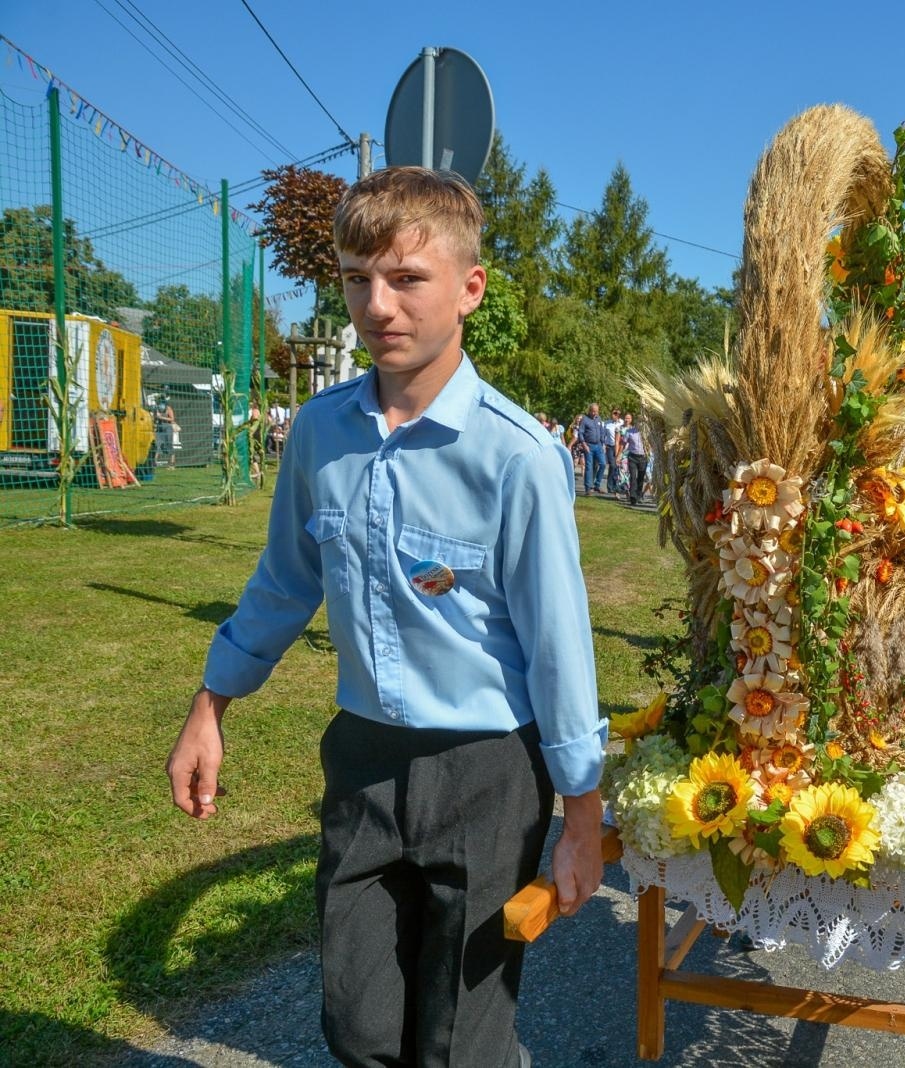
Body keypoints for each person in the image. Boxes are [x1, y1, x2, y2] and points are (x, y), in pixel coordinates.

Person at [165, 166, 606, 1068]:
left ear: (469, 288)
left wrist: (584, 821)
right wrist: (210, 706)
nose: (379, 304)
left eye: (407, 278)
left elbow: (561, 651)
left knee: (459, 1043)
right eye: (358, 277)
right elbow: (284, 584)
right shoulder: (323, 434)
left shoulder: (517, 458)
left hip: (486, 772)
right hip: (363, 761)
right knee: (358, 1028)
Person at [575, 402, 608, 496]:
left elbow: (602, 431)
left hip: (599, 445)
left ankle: (597, 484)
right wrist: (584, 445)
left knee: (602, 464)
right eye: (593, 411)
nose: (595, 413)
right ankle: (588, 488)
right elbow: (580, 433)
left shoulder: (599, 419)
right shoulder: (585, 420)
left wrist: (603, 444)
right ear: (589, 410)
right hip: (588, 445)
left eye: (596, 411)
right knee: (589, 466)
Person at [621, 413, 648, 506]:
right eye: (639, 422)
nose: (640, 424)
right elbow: (623, 443)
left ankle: (639, 495)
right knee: (633, 477)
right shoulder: (629, 432)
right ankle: (632, 497)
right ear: (636, 422)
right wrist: (619, 455)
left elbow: (651, 444)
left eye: (642, 422)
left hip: (643, 457)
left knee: (640, 477)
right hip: (632, 456)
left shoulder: (647, 433)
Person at [602, 407, 625, 495]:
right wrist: (603, 445)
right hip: (610, 446)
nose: (615, 415)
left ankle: (617, 486)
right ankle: (610, 486)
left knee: (618, 466)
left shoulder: (622, 423)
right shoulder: (607, 424)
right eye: (614, 413)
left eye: (617, 413)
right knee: (612, 465)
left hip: (620, 447)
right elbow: (603, 436)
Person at [153, 394, 179, 466]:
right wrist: (155, 419)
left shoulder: (168, 408)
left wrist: (161, 417)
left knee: (169, 445)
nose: (160, 403)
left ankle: (172, 463)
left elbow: (172, 419)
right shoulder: (156, 409)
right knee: (157, 445)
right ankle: (154, 463)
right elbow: (155, 419)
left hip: (167, 428)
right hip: (159, 427)